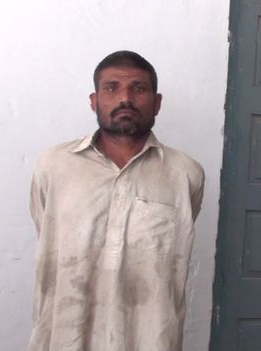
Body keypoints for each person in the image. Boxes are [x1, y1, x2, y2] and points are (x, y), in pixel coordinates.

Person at [29, 50, 204, 351]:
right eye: (111, 88)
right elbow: (45, 230)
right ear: (94, 101)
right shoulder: (54, 166)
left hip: (149, 340)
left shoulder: (184, 174)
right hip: (64, 338)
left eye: (138, 88)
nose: (125, 98)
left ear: (157, 102)